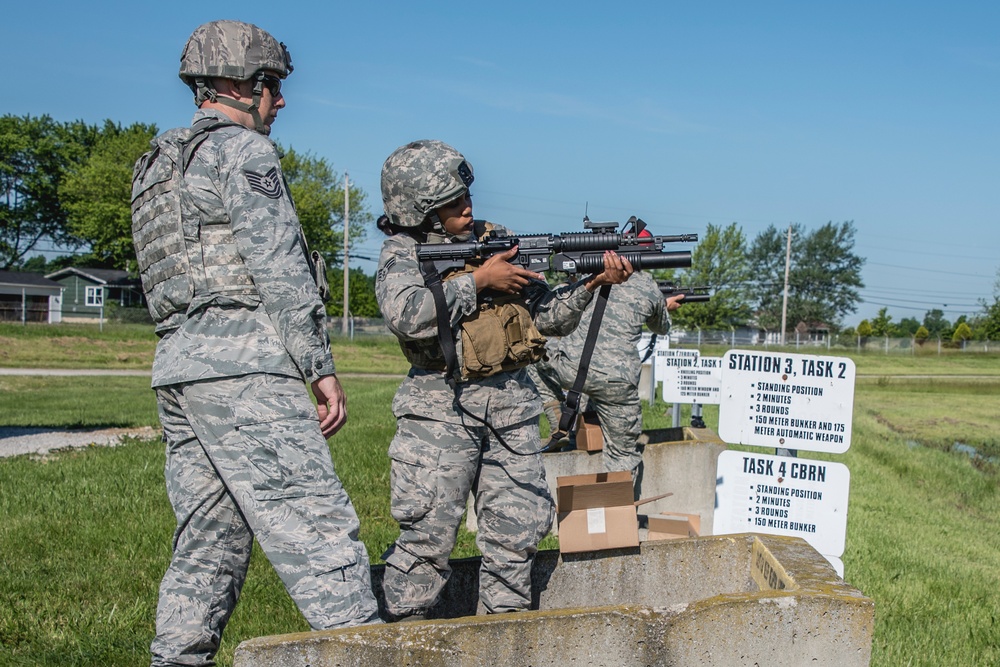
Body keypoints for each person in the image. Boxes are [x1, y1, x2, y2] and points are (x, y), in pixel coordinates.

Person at [133, 20, 380, 667]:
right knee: (322, 535)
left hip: (178, 369)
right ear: (238, 84)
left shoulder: (156, 164)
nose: (281, 100)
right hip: (245, 368)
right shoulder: (243, 153)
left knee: (207, 545)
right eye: (272, 86)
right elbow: (279, 267)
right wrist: (319, 366)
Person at [374, 140, 633, 620]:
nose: (467, 207)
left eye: (465, 195)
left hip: (512, 408)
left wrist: (593, 284)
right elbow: (406, 314)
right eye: (451, 202)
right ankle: (395, 644)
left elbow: (549, 317)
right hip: (439, 411)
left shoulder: (500, 239)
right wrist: (478, 282)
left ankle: (503, 639)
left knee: (517, 536)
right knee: (427, 538)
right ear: (419, 211)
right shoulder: (404, 252)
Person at [528, 240, 685, 474]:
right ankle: (617, 507)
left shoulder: (587, 278)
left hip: (574, 373)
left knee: (532, 350)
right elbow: (661, 328)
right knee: (622, 456)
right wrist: (663, 306)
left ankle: (556, 415)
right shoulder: (647, 285)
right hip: (618, 383)